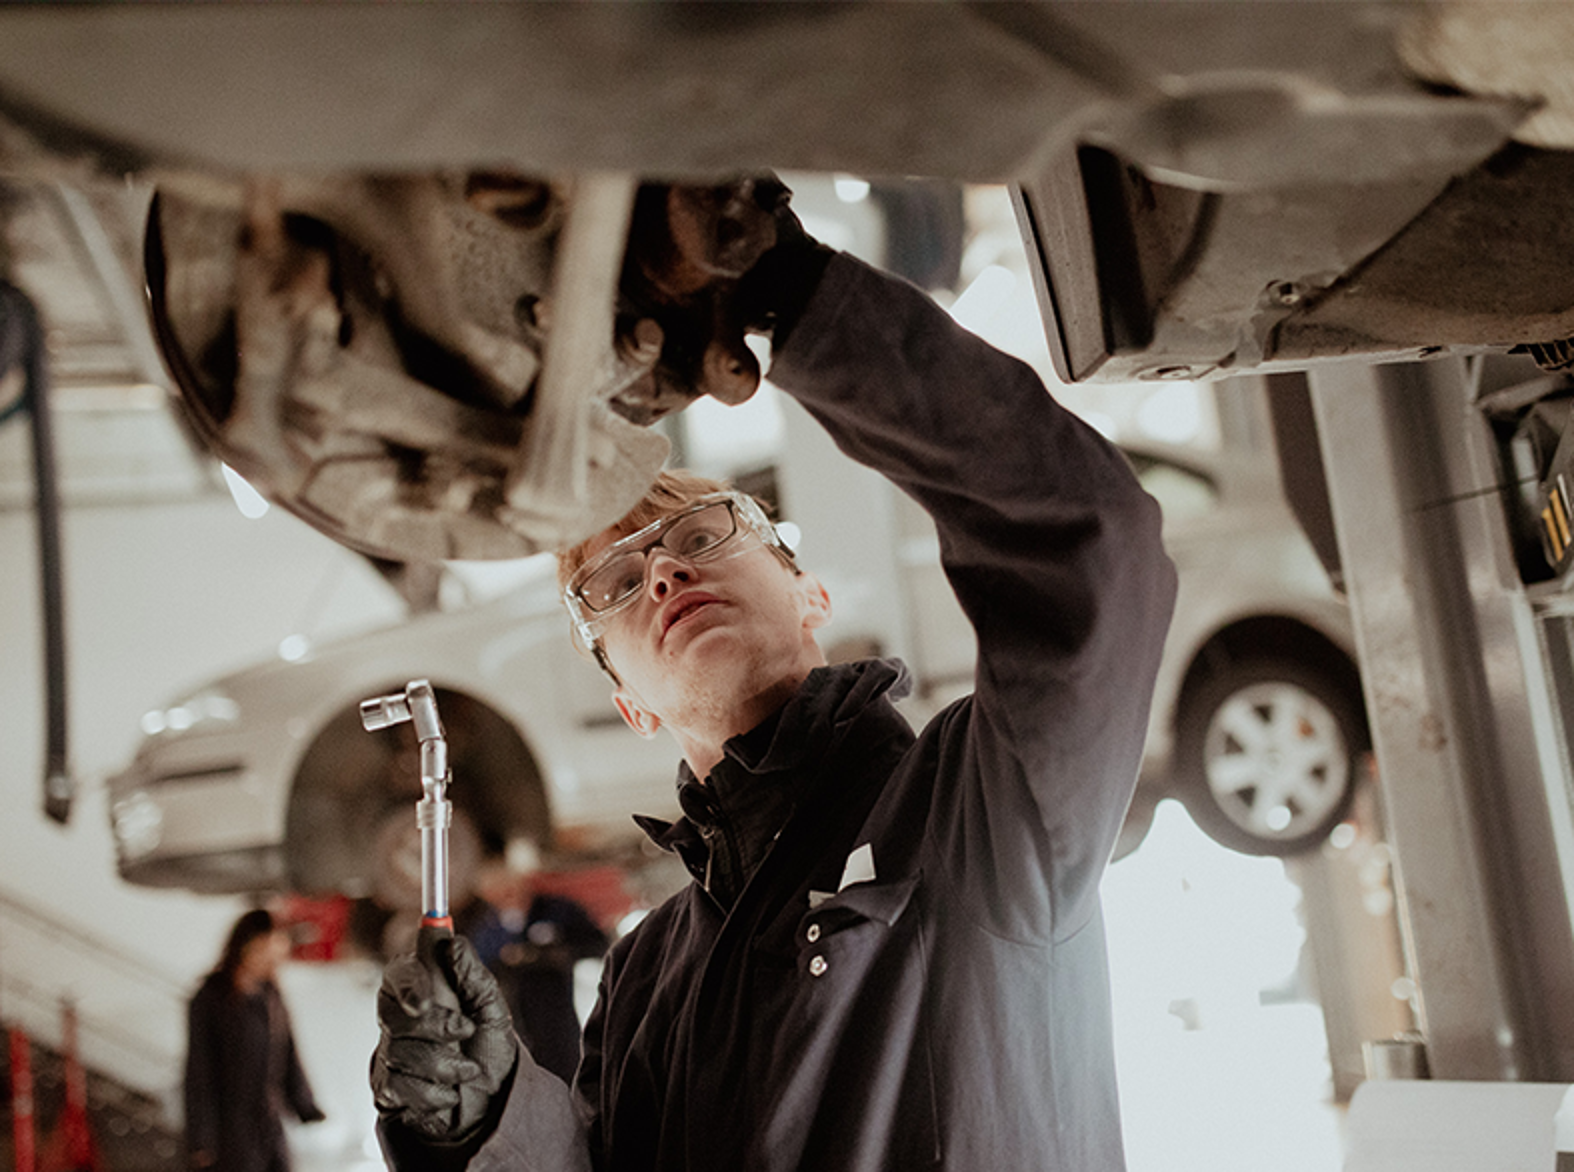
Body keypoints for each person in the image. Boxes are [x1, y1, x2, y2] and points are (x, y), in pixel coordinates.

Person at [369, 179, 1178, 1170]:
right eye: (616, 580)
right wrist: (487, 1121)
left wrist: (784, 294)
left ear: (808, 593)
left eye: (703, 534)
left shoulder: (979, 807)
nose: (664, 568)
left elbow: (1089, 544)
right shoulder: (644, 971)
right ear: (626, 700)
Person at [185, 908, 325, 1172]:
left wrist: (305, 1105)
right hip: (229, 1127)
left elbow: (288, 1055)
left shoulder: (270, 996)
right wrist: (201, 1138)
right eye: (267, 950)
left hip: (269, 1121)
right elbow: (199, 1070)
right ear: (248, 946)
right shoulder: (211, 997)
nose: (274, 961)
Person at [460, 849, 610, 1084]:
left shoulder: (557, 910)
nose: (505, 893)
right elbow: (478, 975)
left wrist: (551, 953)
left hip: (560, 1015)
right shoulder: (487, 930)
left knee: (567, 1076)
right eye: (495, 888)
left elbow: (597, 943)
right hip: (515, 1024)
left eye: (508, 883)